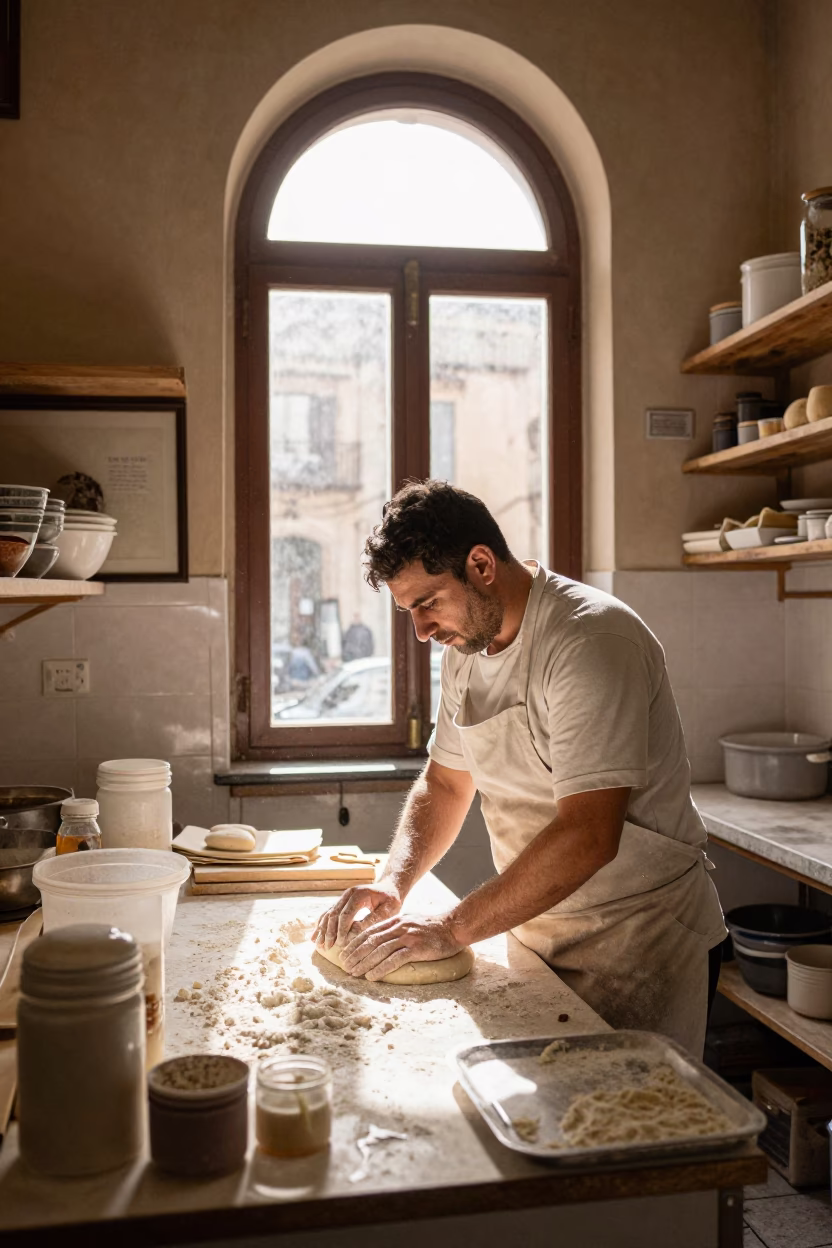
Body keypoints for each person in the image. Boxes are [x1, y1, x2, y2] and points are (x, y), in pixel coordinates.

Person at [313, 481, 726, 1056]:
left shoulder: (588, 640)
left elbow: (589, 833)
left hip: (636, 941)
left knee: (632, 1128)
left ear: (480, 564)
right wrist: (394, 881)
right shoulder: (467, 652)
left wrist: (451, 929)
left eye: (428, 603)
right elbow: (445, 783)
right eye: (409, 612)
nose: (422, 632)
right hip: (535, 933)